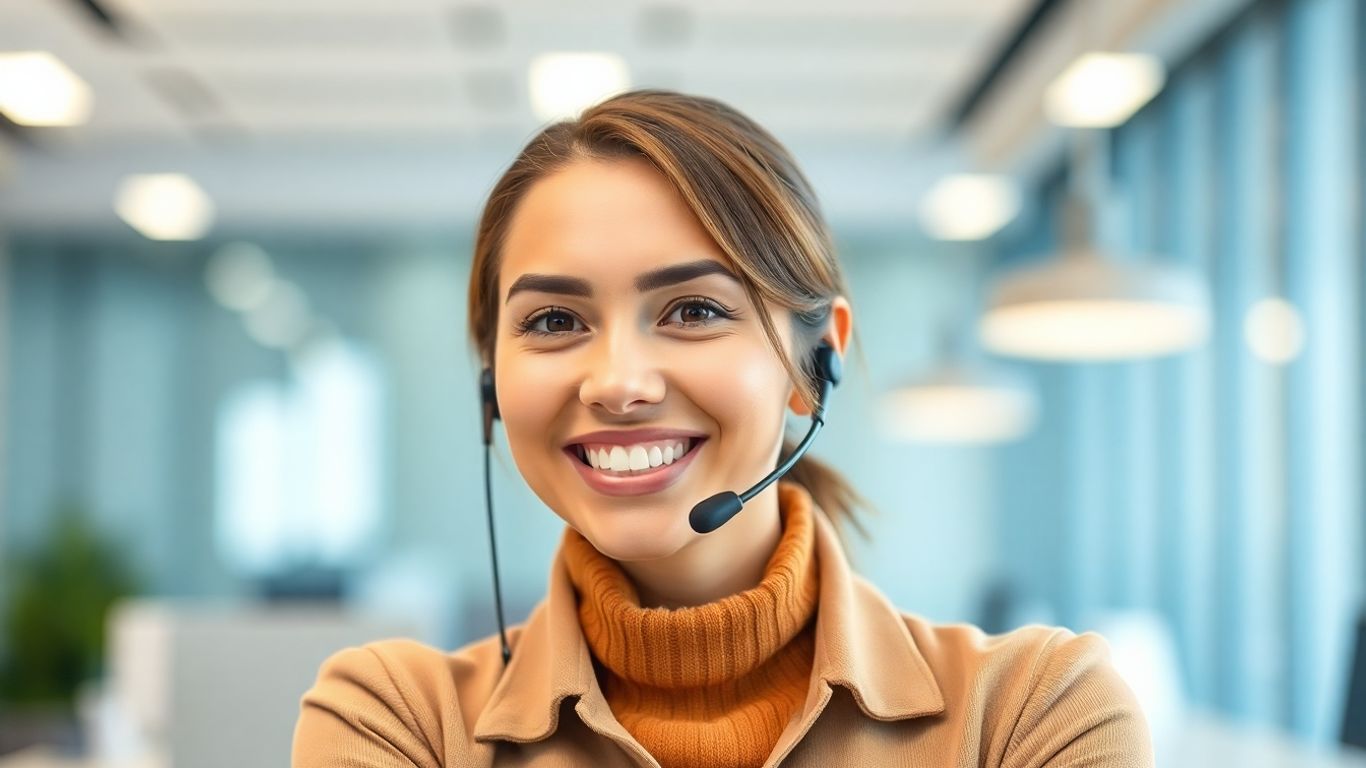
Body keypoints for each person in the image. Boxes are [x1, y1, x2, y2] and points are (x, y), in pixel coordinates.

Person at [292, 89, 1153, 767]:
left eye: (694, 309)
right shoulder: (396, 723)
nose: (619, 383)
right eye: (554, 321)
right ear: (493, 383)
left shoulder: (1033, 715)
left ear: (816, 368)